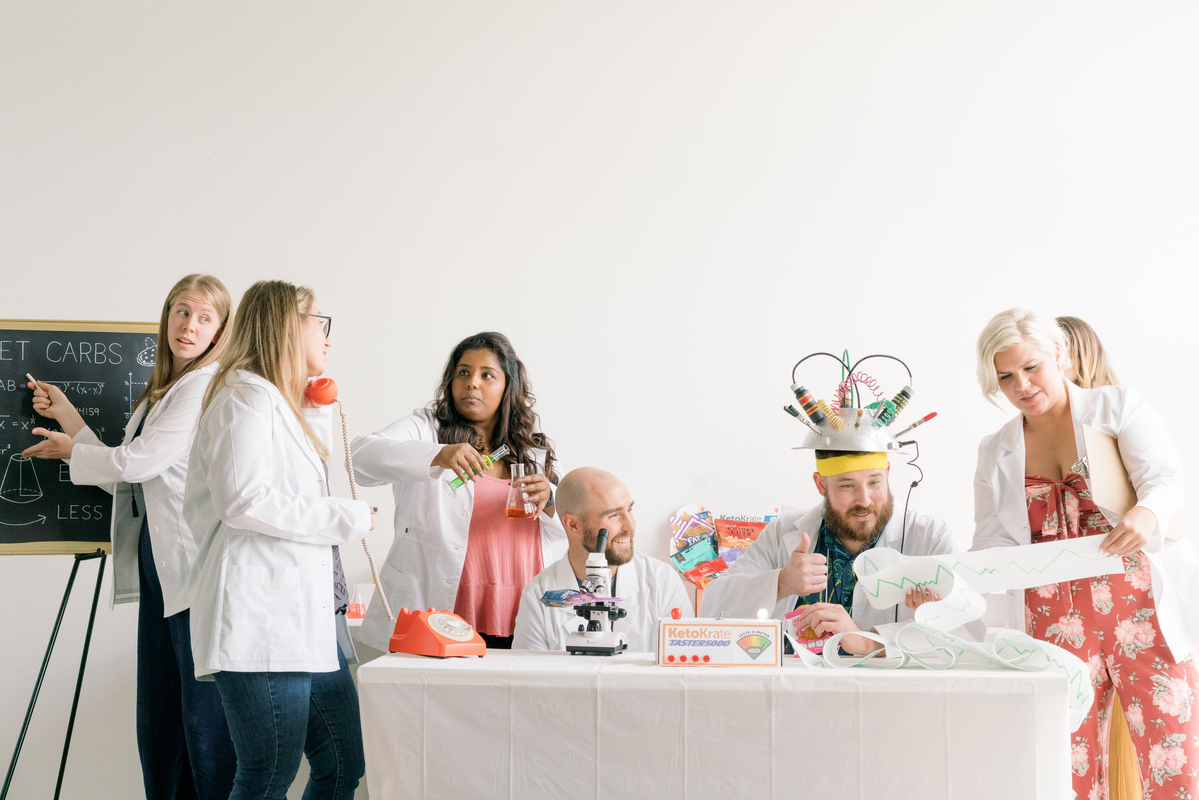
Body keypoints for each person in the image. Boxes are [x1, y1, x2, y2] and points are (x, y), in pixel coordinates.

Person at [22, 274, 236, 800]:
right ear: (166, 317)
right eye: (182, 312)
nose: (189, 326)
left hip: (191, 575)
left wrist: (69, 450)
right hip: (159, 571)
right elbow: (122, 469)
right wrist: (67, 414)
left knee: (201, 724)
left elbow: (137, 462)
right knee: (162, 718)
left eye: (205, 317)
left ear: (220, 331)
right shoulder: (163, 392)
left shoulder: (202, 388)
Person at [973, 307, 1199, 799]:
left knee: (1174, 763)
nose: (1022, 385)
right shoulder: (995, 451)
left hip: (1141, 612)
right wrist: (951, 588)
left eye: (1031, 367)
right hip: (1051, 626)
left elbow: (1165, 479)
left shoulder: (1117, 407)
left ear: (1060, 355)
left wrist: (1147, 514)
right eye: (1006, 377)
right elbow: (990, 546)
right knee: (1063, 773)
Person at [185, 281, 375, 800]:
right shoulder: (243, 397)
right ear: (290, 327)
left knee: (343, 762)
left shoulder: (275, 401)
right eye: (321, 322)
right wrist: (346, 515)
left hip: (301, 622)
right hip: (261, 624)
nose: (328, 336)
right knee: (267, 774)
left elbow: (294, 482)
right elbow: (243, 501)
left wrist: (314, 408)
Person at [351, 332, 566, 652]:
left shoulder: (533, 451)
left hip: (521, 611)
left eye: (487, 375)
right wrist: (437, 455)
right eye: (463, 372)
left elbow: (574, 524)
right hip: (442, 608)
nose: (472, 382)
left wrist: (549, 498)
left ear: (509, 385)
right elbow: (359, 458)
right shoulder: (426, 429)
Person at [700, 449, 982, 654]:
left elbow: (969, 636)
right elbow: (712, 608)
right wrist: (781, 583)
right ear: (821, 484)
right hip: (790, 695)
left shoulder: (930, 538)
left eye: (874, 482)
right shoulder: (784, 530)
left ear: (887, 474)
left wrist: (868, 642)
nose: (865, 500)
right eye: (848, 485)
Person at [512, 467, 692, 651]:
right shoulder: (537, 596)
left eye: (629, 509)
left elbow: (684, 670)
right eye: (614, 515)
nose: (630, 525)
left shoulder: (663, 582)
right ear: (573, 524)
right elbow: (527, 676)